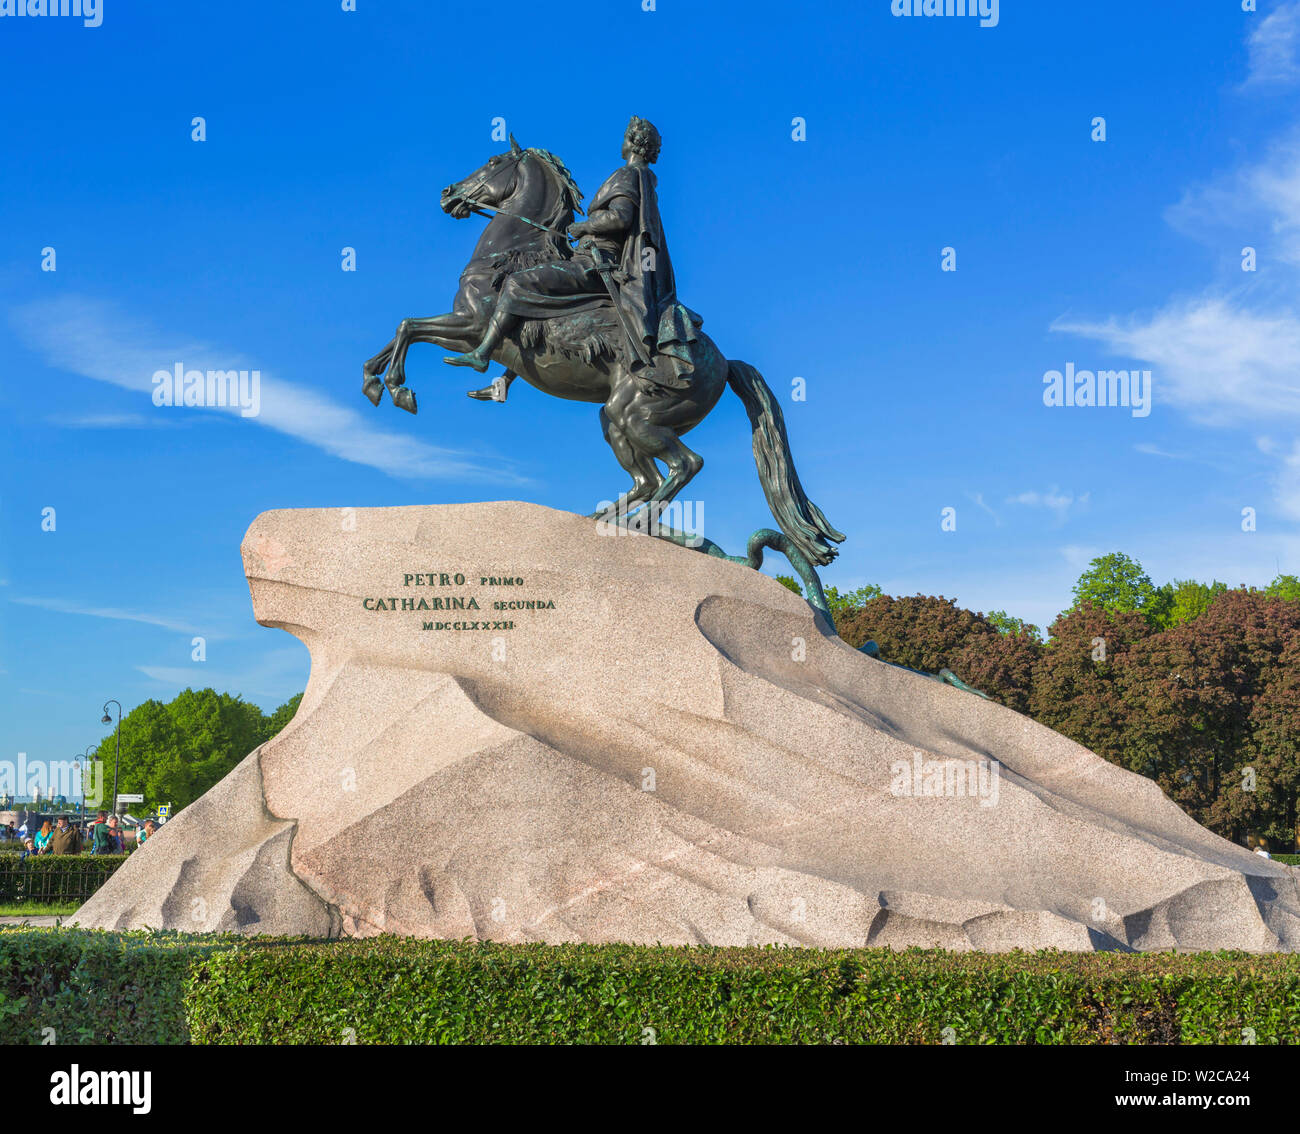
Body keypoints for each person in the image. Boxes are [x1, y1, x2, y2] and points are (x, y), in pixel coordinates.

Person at [445, 116, 700, 396]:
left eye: (626, 135)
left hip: (597, 263)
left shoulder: (628, 175)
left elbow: (620, 217)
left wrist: (582, 226)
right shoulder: (643, 179)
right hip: (597, 258)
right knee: (541, 308)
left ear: (633, 142)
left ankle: (482, 352)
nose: (622, 141)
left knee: (518, 284)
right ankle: (504, 382)